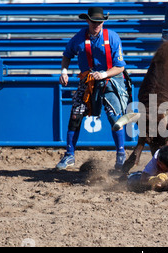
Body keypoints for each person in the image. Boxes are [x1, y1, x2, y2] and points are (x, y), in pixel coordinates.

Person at [57, 7, 129, 171]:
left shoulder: (112, 37)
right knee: (75, 115)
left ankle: (121, 153)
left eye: (99, 21)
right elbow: (67, 55)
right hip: (87, 80)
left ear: (103, 22)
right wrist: (64, 71)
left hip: (111, 80)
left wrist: (104, 74)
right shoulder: (79, 38)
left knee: (114, 117)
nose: (96, 24)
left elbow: (119, 67)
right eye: (93, 21)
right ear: (88, 20)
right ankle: (69, 154)